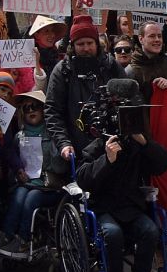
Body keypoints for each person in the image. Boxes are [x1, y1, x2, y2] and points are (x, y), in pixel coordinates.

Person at [75, 81, 167, 272]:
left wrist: (143, 142)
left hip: (131, 206)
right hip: (103, 208)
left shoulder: (138, 144)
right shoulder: (99, 144)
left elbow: (163, 164)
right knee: (113, 233)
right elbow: (82, 178)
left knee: (150, 231)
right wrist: (106, 160)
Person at [45, 16, 123, 173]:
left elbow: (128, 100)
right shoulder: (62, 70)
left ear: (97, 44)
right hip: (75, 149)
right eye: (81, 44)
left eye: (90, 43)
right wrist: (63, 143)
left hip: (109, 147)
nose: (86, 48)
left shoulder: (111, 65)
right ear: (73, 46)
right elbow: (52, 110)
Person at [0, 89, 51, 259]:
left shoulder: (52, 134)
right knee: (19, 195)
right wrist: (18, 172)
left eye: (35, 106)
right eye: (26, 108)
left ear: (43, 110)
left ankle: (24, 240)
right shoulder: (18, 136)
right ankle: (5, 236)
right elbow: (11, 162)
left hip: (47, 186)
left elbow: (60, 163)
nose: (30, 110)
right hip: (26, 183)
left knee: (31, 198)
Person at [127, 21, 167, 93]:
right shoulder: (132, 71)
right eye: (152, 36)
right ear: (141, 39)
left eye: (159, 36)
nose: (157, 39)